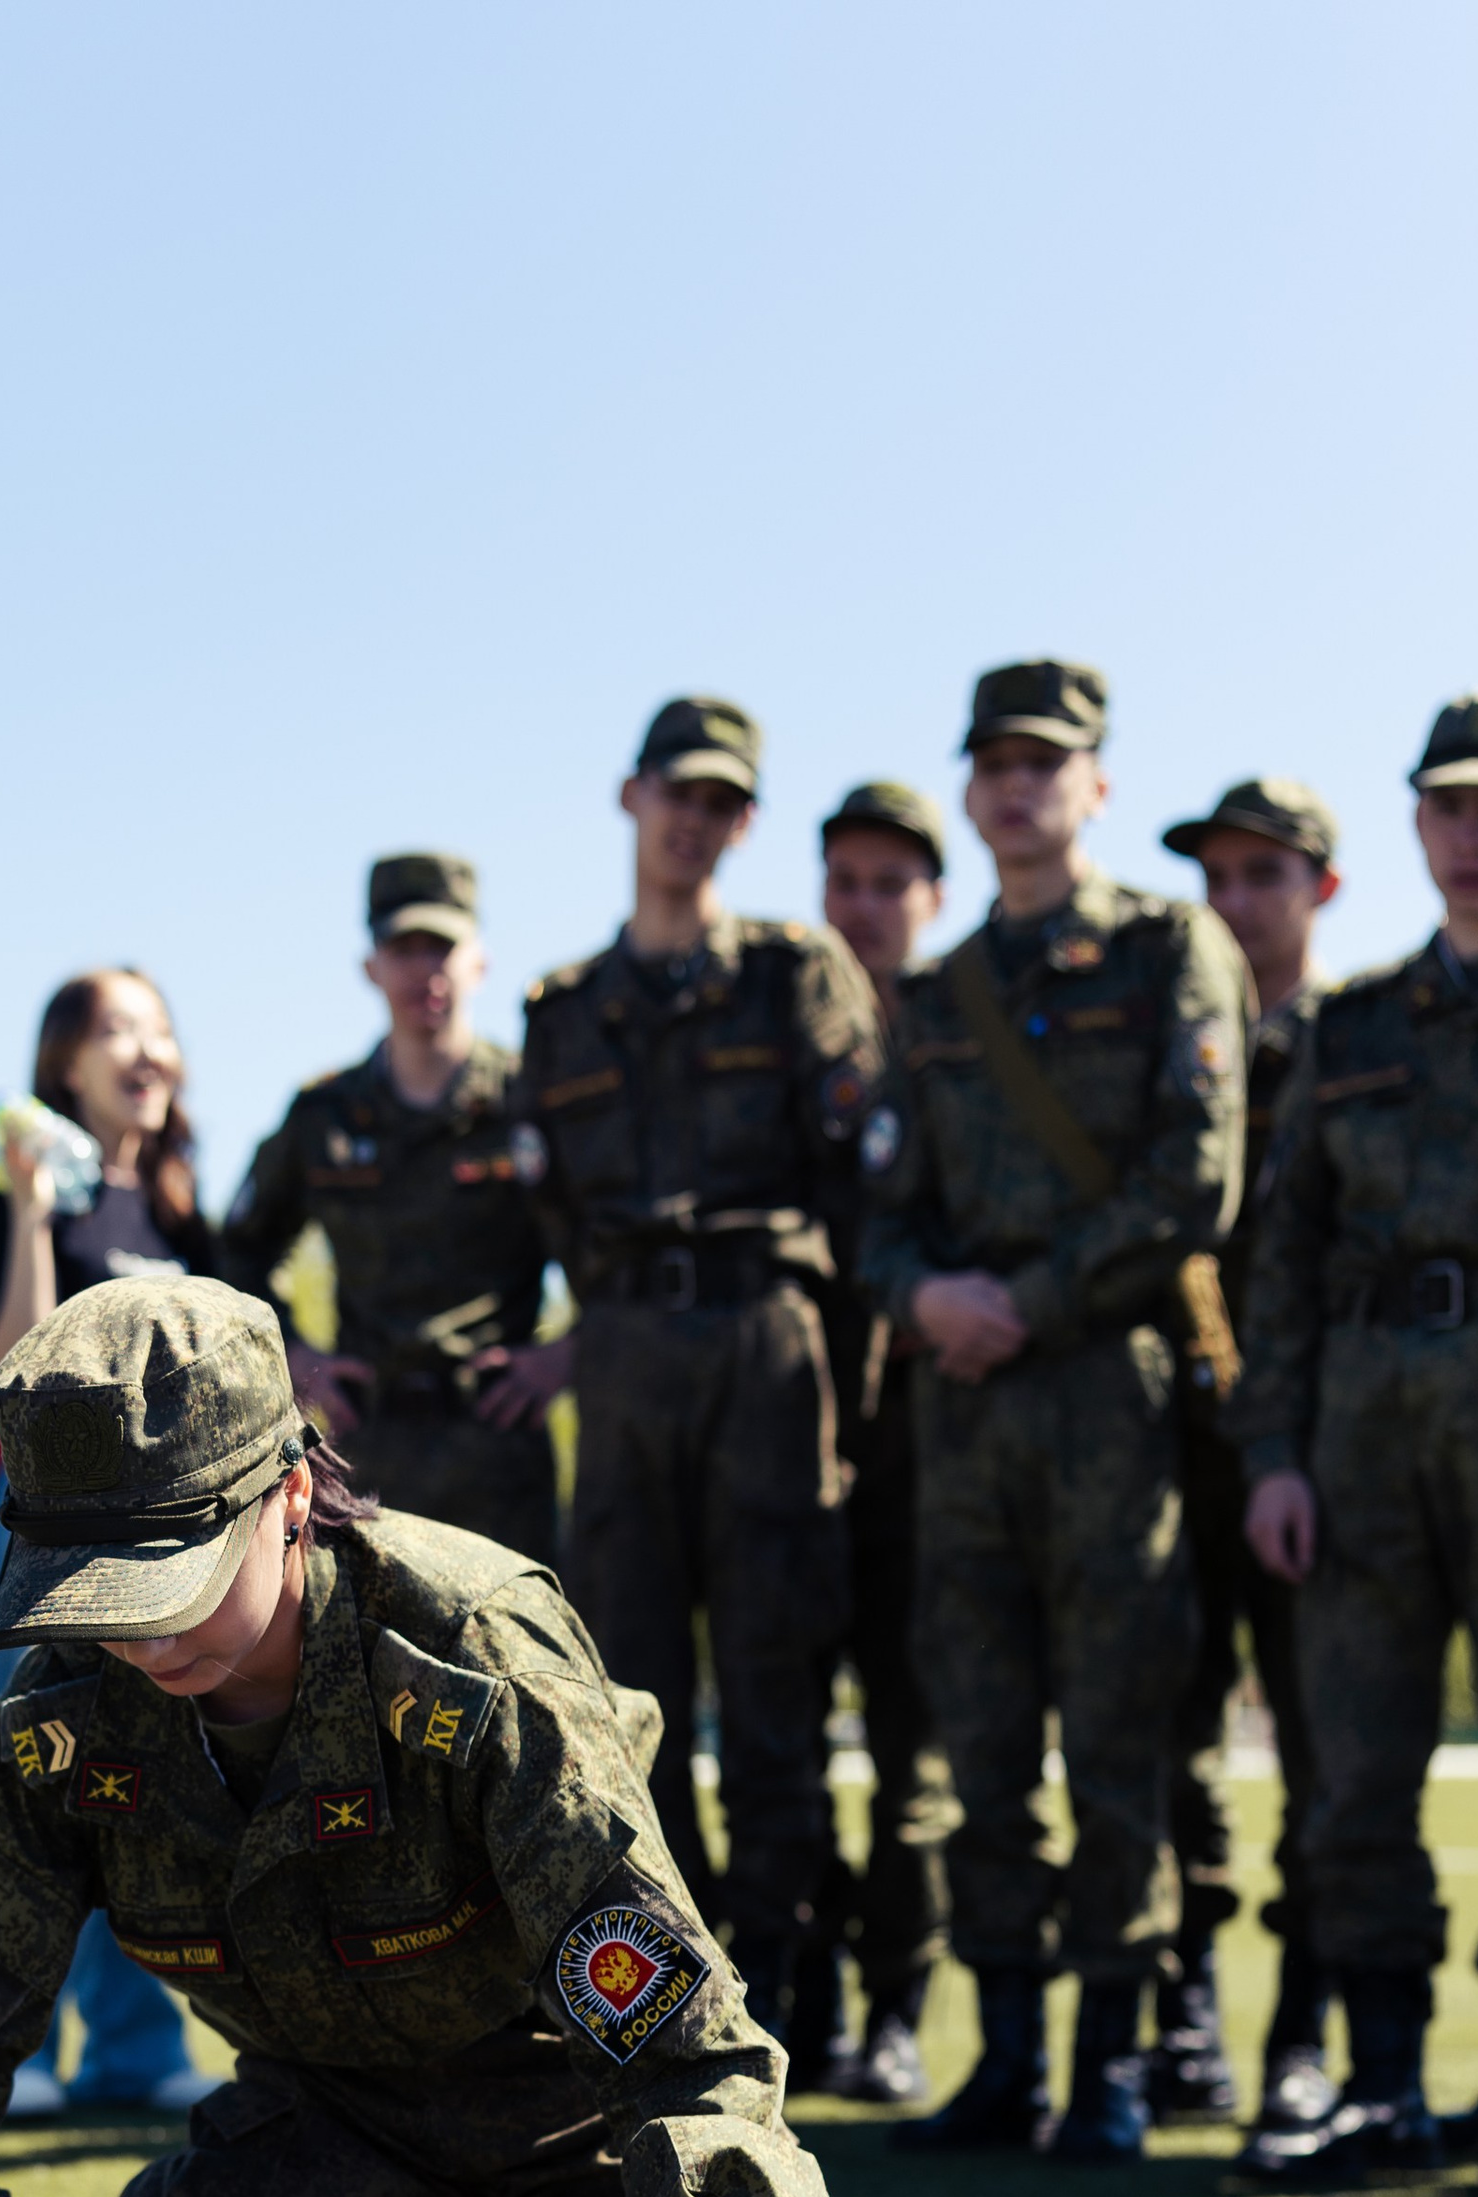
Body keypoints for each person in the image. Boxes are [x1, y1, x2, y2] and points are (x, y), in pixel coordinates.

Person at [0, 1277, 886, 2197]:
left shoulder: (474, 1654)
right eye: (102, 1594)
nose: (150, 1647)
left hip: (581, 2106)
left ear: (291, 1497)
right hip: (329, 2112)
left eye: (174, 1577)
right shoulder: (59, 1724)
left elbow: (689, 2046)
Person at [1235, 691, 1478, 2197]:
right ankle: (1386, 2085)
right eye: (1453, 804)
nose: (1476, 833)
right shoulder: (1355, 1027)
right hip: (1359, 1434)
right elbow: (1283, 1255)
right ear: (1415, 819)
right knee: (1356, 1778)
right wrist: (1274, 1448)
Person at [860, 659, 1249, 2160]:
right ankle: (1007, 2055)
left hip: (1107, 1389)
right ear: (973, 791)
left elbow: (1193, 1175)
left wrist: (1033, 1300)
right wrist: (923, 1302)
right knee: (983, 1741)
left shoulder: (1166, 947)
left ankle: (1110, 2070)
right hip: (967, 1410)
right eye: (997, 764)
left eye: (1048, 763)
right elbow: (884, 1213)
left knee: (1116, 1736)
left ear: (1096, 785)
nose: (1020, 786)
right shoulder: (944, 995)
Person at [513, 697, 885, 2038]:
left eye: (725, 801)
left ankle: (793, 1976)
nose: (696, 819)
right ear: (630, 797)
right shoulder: (561, 1013)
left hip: (766, 1348)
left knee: (778, 1682)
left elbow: (860, 1194)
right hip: (622, 1358)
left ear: (746, 823)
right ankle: (675, 1987)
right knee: (631, 1694)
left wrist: (842, 1388)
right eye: (680, 791)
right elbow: (548, 1213)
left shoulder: (797, 975)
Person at [0, 966, 220, 2117]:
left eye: (159, 1030)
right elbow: (4, 1369)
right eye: (118, 1031)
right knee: (35, 1787)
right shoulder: (31, 1198)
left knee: (150, 1790)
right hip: (44, 1530)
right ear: (63, 1066)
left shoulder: (177, 1207)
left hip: (162, 1544)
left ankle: (129, 2048)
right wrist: (23, 1205)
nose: (147, 1051)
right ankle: (11, 2050)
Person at [1153, 779, 1342, 2147]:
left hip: (1323, 1447)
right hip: (1172, 1446)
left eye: (1262, 874)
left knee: (1331, 1751)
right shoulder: (1170, 1039)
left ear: (1320, 890)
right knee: (1173, 1741)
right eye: (1215, 875)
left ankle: (1306, 2042)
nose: (1234, 901)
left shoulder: (1361, 1041)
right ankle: (1190, 2021)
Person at [217, 855, 563, 1563]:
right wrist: (296, 1358)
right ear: (370, 966)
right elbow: (237, 1252)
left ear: (479, 963)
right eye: (403, 949)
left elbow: (612, 1241)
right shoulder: (326, 1116)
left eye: (441, 948)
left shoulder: (531, 1101)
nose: (423, 971)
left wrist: (566, 1357)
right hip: (367, 1456)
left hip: (499, 1451)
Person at [793, 781, 956, 2104]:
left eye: (891, 883)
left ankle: (897, 2005)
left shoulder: (967, 1038)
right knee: (784, 1729)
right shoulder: (786, 1035)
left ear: (933, 899)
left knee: (915, 1744)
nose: (865, 908)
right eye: (843, 881)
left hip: (932, 1443)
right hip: (788, 1436)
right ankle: (803, 1991)